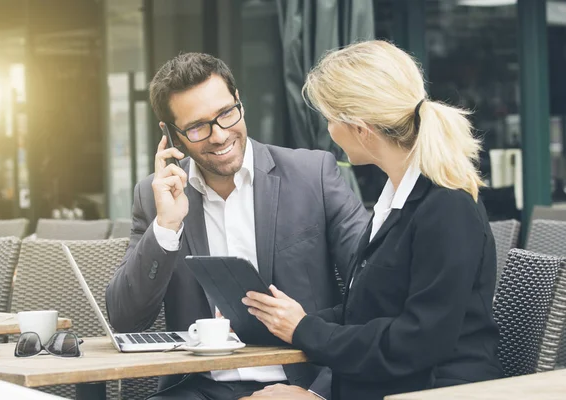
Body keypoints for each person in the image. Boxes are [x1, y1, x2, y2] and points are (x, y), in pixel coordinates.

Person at [242, 40, 504, 400]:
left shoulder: (447, 208)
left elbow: (418, 341)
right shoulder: (397, 200)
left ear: (360, 128)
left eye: (331, 119)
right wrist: (291, 321)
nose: (329, 130)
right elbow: (369, 309)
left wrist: (306, 330)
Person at [105, 52, 368, 400]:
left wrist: (319, 394)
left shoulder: (313, 175)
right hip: (196, 389)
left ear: (238, 101)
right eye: (198, 126)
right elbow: (126, 319)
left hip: (301, 384)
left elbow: (374, 289)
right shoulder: (155, 195)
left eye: (226, 114)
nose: (219, 135)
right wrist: (167, 225)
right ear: (172, 134)